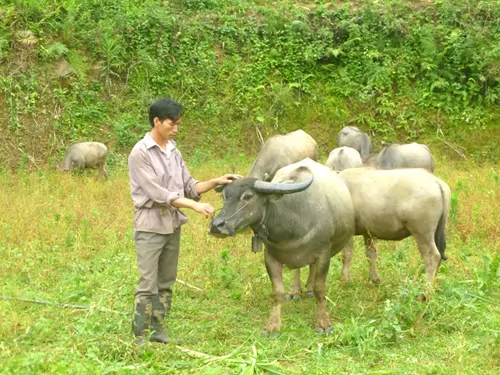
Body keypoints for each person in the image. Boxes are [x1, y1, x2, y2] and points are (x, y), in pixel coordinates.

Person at [128, 98, 239, 345]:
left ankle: (159, 330)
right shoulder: (140, 154)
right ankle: (140, 337)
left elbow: (190, 186)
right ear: (156, 121)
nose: (176, 128)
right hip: (150, 226)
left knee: (166, 281)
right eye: (172, 123)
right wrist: (195, 206)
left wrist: (216, 181)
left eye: (178, 124)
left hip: (172, 225)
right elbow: (158, 194)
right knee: (148, 283)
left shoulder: (173, 151)